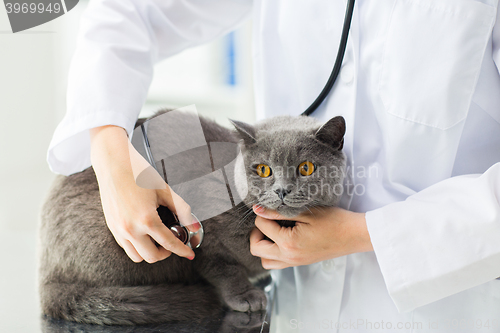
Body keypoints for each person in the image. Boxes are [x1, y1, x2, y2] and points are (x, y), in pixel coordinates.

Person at [47, 0, 500, 332]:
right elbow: (128, 12)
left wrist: (366, 234)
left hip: (442, 305)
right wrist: (111, 154)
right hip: (294, 308)